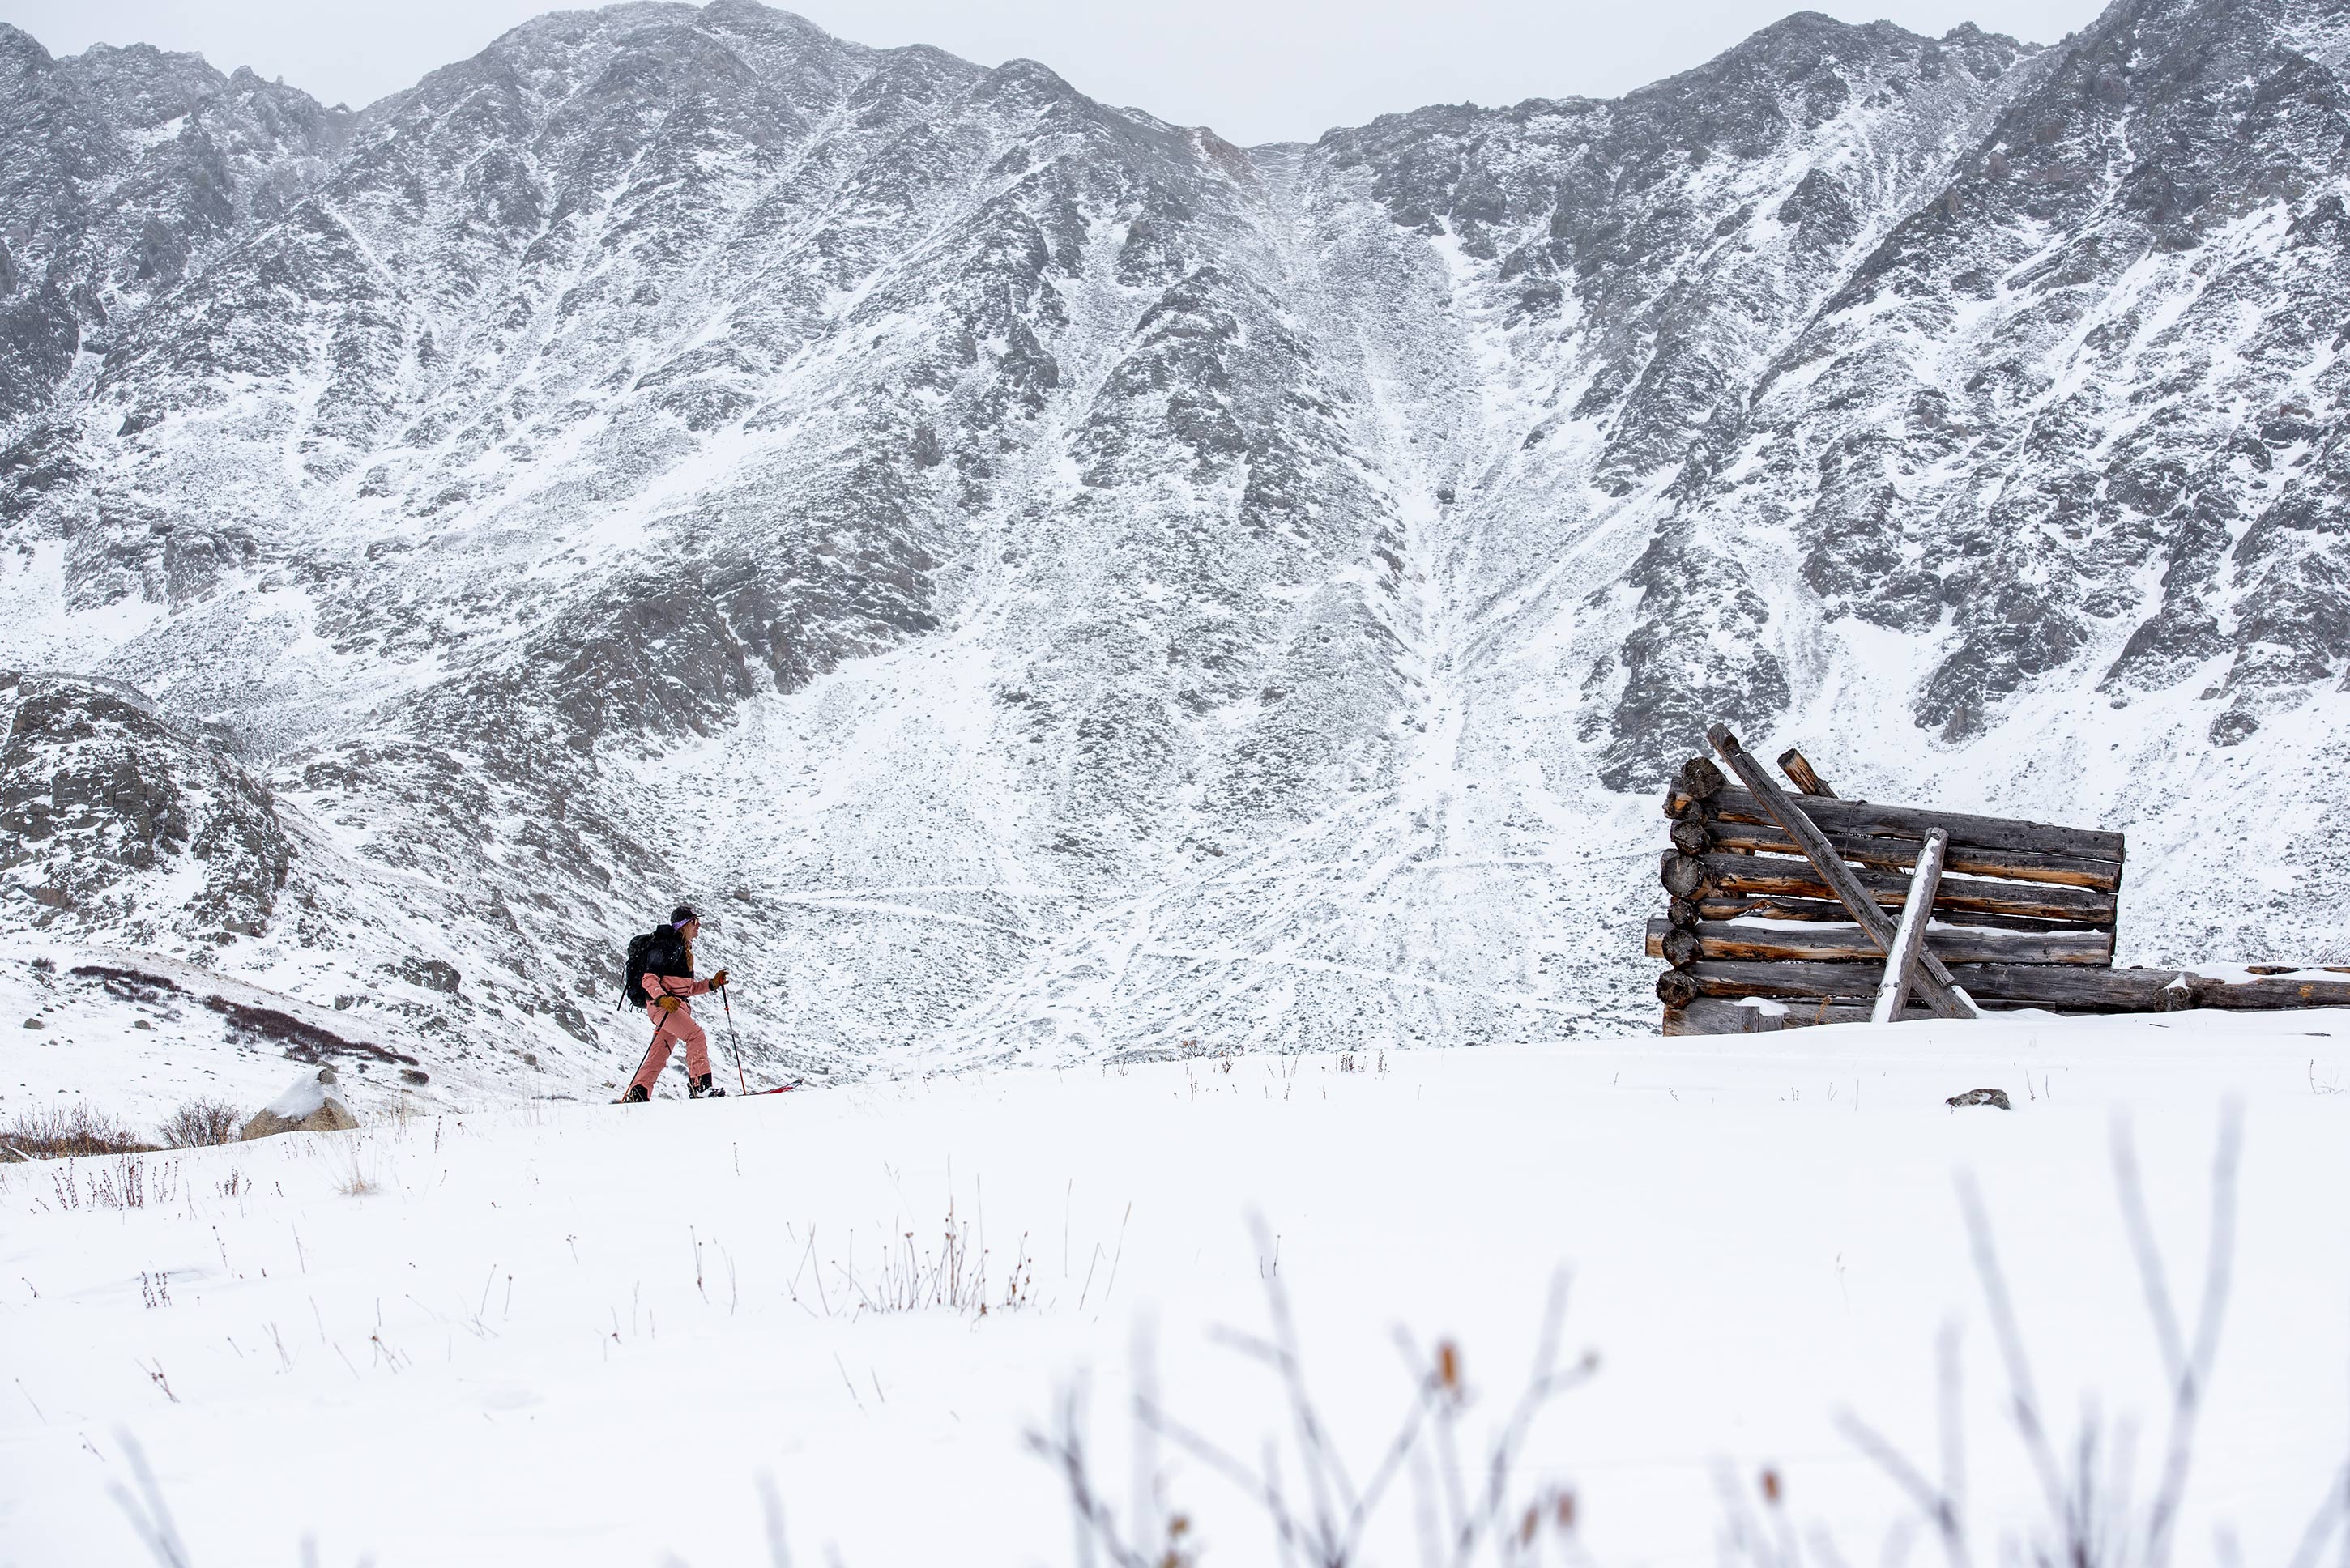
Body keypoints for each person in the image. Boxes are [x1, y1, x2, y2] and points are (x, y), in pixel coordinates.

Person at [623, 905, 731, 1101]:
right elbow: (648, 979)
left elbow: (686, 989)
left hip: (673, 1007)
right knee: (695, 1036)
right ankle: (700, 1087)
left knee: (660, 1051)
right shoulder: (668, 945)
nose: (698, 926)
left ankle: (639, 1093)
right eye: (695, 922)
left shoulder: (681, 949)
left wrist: (712, 984)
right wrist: (662, 998)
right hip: (664, 1007)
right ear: (684, 925)